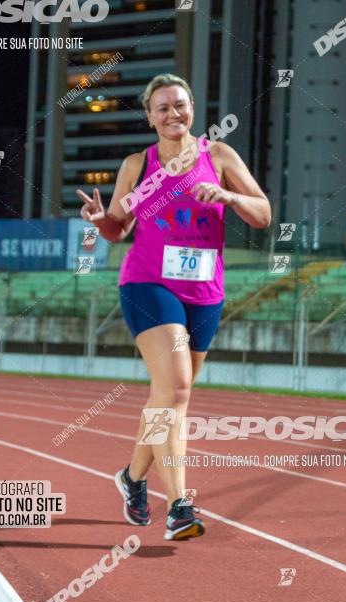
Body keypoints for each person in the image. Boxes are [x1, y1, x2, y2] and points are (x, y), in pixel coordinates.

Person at [76, 74, 271, 541]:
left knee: (169, 396)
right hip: (148, 283)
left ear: (192, 110)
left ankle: (132, 478)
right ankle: (180, 505)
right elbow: (118, 229)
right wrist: (102, 220)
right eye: (162, 108)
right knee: (178, 387)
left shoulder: (218, 157)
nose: (172, 114)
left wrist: (228, 195)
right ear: (149, 116)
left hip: (205, 292)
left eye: (179, 105)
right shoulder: (137, 165)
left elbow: (263, 215)